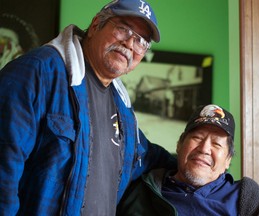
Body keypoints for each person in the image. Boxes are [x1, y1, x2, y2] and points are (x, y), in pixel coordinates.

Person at [0, 0, 177, 215]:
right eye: (123, 29)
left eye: (141, 41)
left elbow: (147, 156)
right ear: (95, 26)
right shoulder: (38, 71)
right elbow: (4, 165)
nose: (130, 44)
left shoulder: (123, 109)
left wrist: (196, 163)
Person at [116, 104, 259, 216]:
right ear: (179, 145)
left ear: (228, 159)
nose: (204, 148)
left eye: (216, 144)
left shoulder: (250, 201)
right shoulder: (141, 192)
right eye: (197, 138)